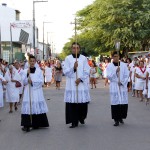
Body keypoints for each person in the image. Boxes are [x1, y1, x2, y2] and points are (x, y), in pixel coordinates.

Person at [63, 42, 91, 128]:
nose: (75, 49)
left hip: (81, 83)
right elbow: (66, 71)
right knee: (73, 103)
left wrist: (80, 79)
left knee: (82, 103)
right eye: (74, 48)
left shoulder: (83, 58)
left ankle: (81, 117)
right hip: (72, 84)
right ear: (71, 49)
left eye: (77, 48)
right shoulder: (68, 58)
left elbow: (87, 70)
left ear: (79, 49)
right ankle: (74, 121)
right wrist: (73, 68)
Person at [21, 55, 49, 132]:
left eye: (33, 61)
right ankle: (27, 124)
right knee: (28, 106)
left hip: (36, 92)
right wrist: (27, 75)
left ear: (35, 62)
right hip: (28, 91)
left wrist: (33, 82)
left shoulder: (39, 71)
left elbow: (41, 82)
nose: (32, 62)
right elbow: (23, 82)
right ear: (29, 62)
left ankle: (36, 123)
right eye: (31, 61)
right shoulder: (25, 71)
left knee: (36, 105)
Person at [106, 51, 129, 126]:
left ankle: (121, 117)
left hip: (122, 86)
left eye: (117, 56)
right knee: (115, 103)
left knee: (122, 103)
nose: (116, 58)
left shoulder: (123, 65)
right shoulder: (109, 66)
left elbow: (126, 75)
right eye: (114, 56)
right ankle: (116, 119)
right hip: (114, 86)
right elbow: (108, 76)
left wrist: (122, 82)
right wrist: (115, 72)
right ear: (112, 57)